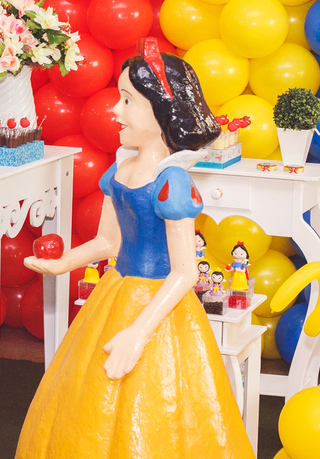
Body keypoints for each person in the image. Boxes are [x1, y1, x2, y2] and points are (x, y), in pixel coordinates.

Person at [17, 39, 253, 458]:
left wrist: (138, 333)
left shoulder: (171, 181)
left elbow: (186, 272)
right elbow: (109, 241)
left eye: (128, 100)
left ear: (161, 110)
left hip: (157, 307)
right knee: (85, 405)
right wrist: (64, 263)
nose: (116, 110)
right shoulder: (122, 168)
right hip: (116, 292)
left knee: (164, 409)